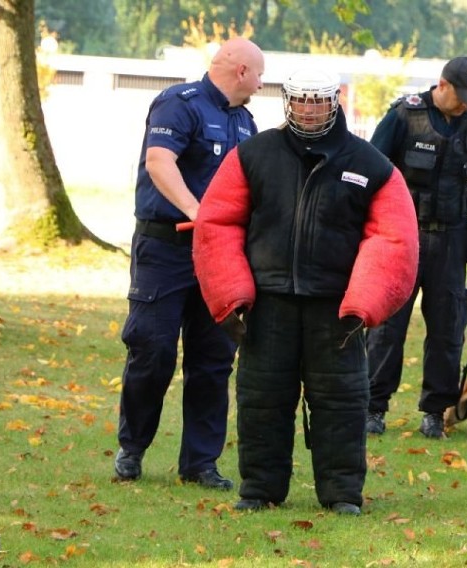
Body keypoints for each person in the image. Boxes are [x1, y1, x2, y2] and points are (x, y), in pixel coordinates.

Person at [192, 69, 419, 515]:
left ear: (334, 103)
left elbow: (393, 238)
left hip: (337, 311)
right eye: (301, 100)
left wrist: (366, 301)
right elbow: (217, 224)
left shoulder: (370, 164)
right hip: (268, 302)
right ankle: (258, 490)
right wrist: (231, 295)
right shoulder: (252, 155)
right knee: (261, 399)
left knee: (342, 403)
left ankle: (341, 495)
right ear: (287, 102)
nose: (309, 109)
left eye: (318, 101)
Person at [113, 37, 265, 488]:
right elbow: (160, 163)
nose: (261, 84)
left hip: (219, 255)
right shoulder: (179, 104)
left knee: (214, 360)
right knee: (152, 350)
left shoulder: (247, 123)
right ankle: (132, 447)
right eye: (259, 74)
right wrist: (197, 212)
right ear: (241, 71)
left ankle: (200, 463)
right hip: (166, 250)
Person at [365, 56, 467, 440]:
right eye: (462, 95)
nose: (466, 104)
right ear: (442, 85)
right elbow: (372, 172)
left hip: (453, 240)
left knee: (448, 329)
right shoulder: (404, 116)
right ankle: (373, 407)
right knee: (388, 327)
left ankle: (435, 410)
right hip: (401, 237)